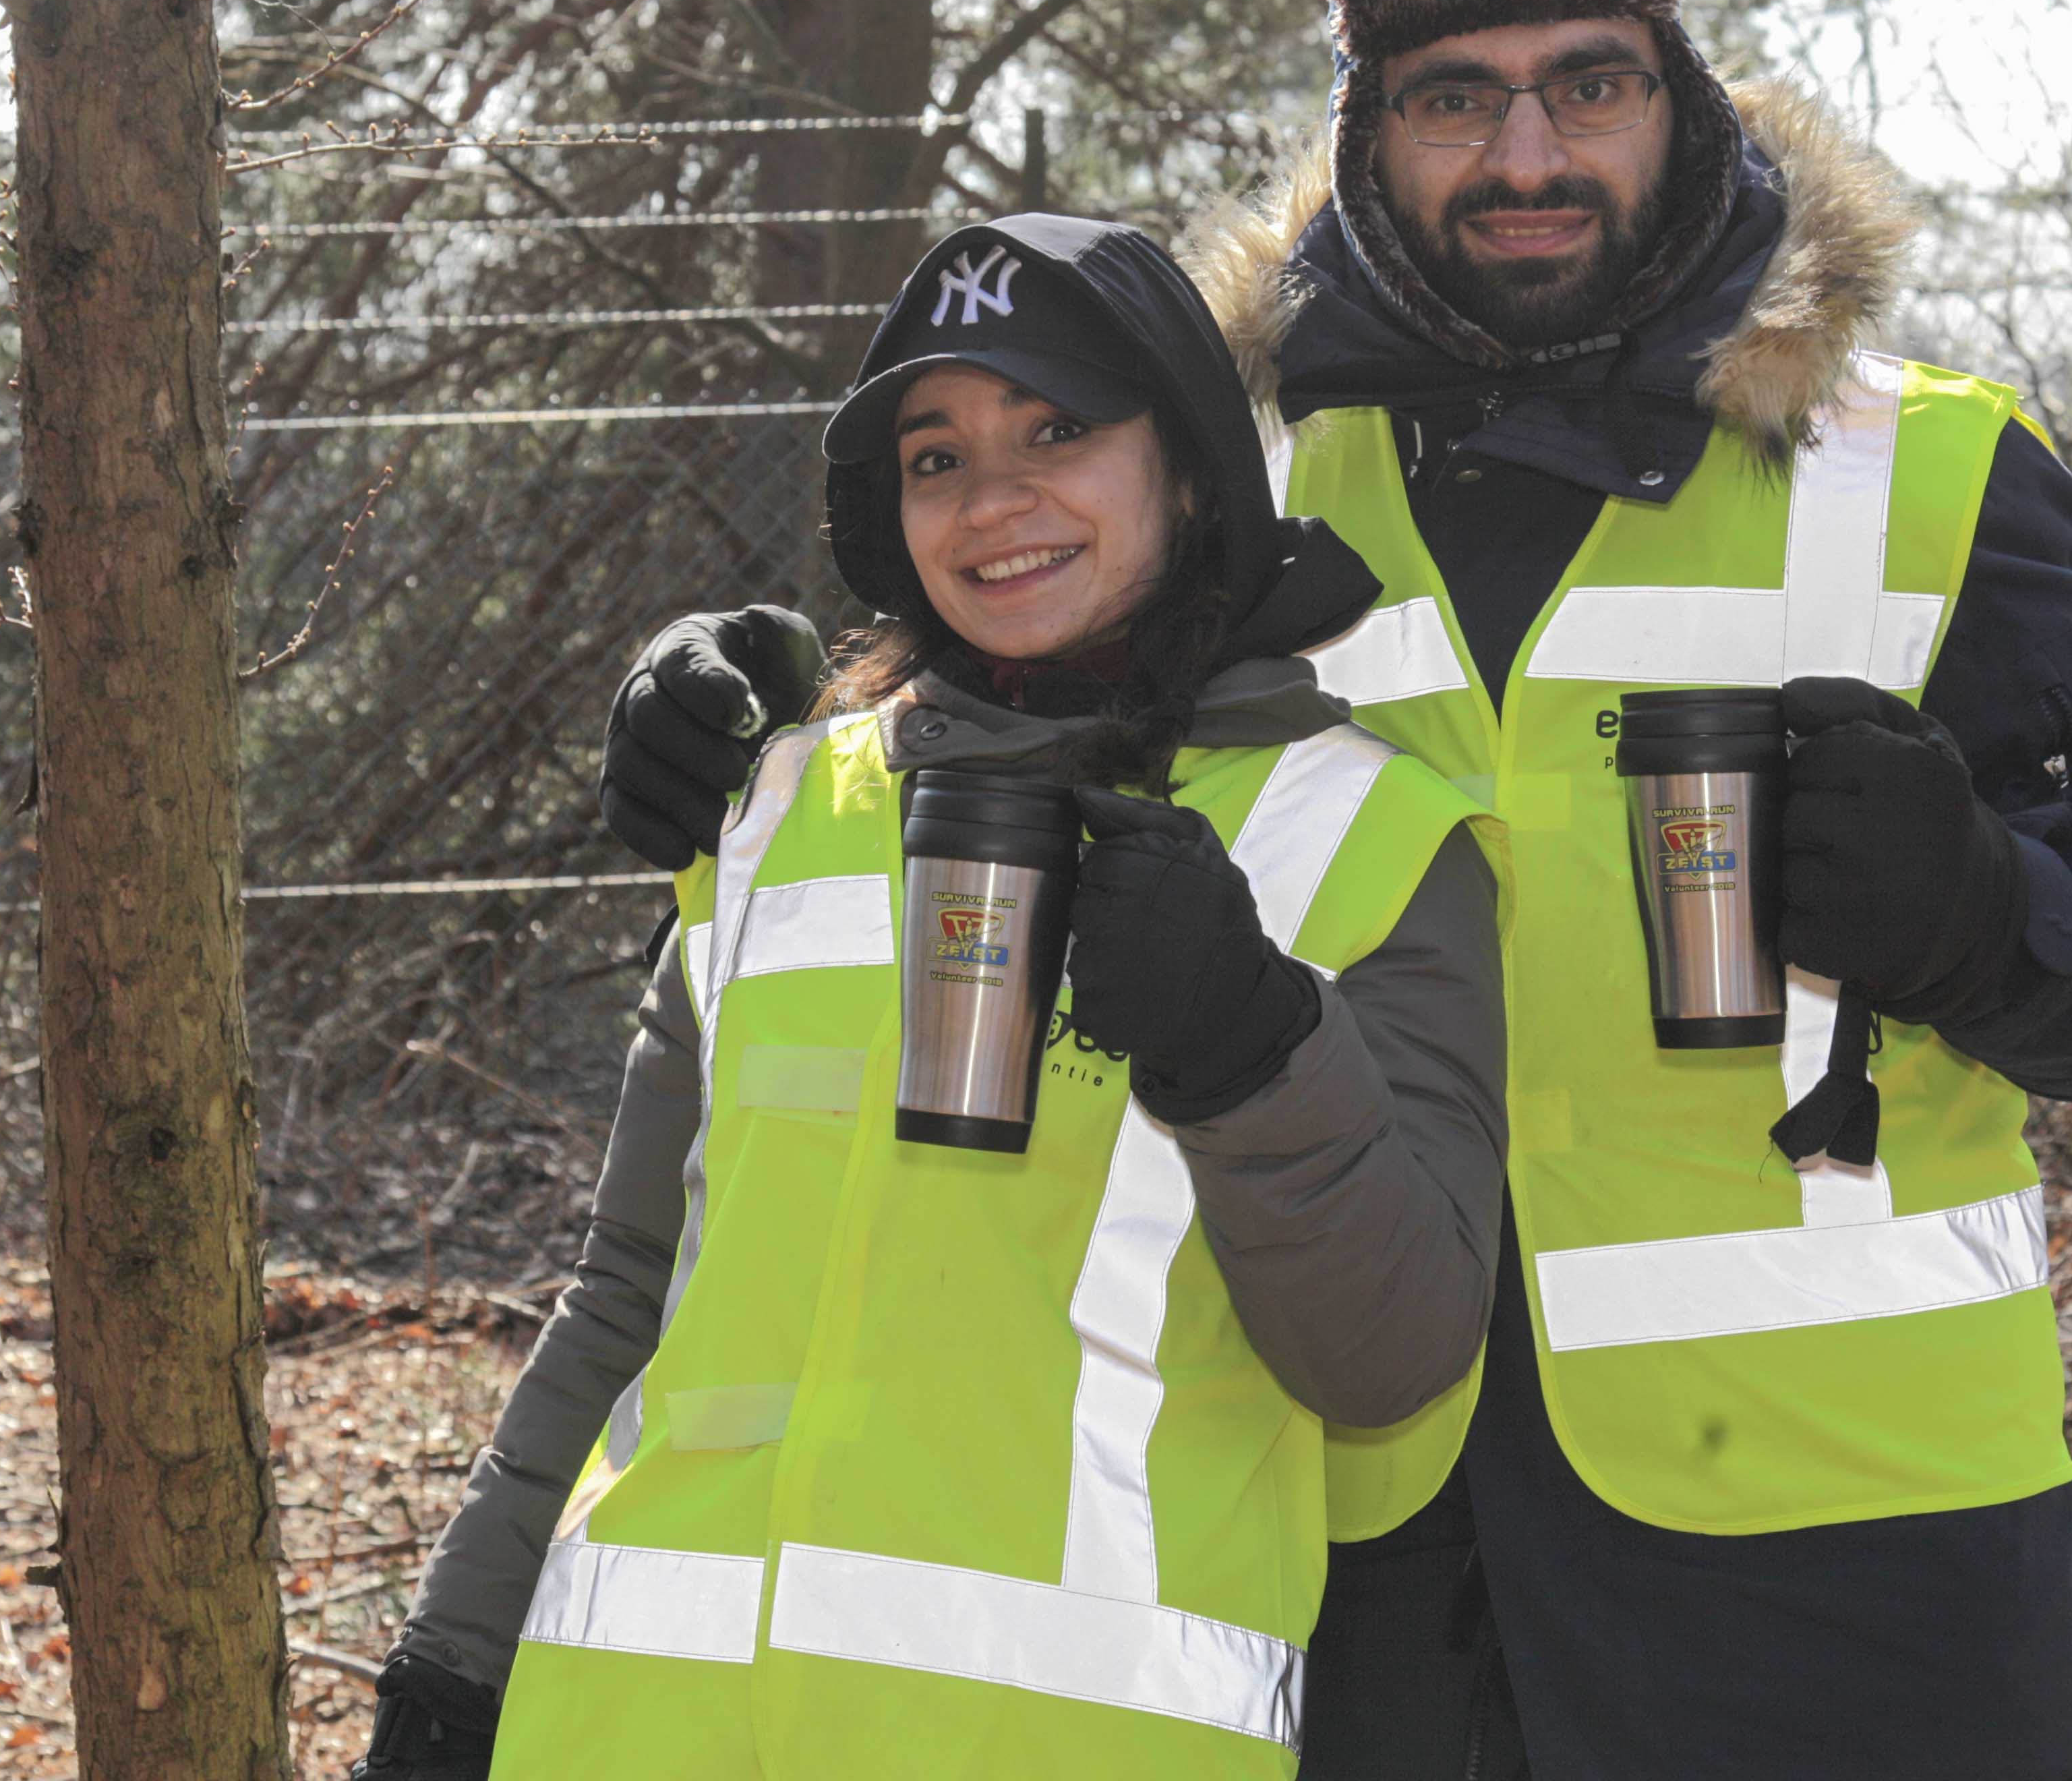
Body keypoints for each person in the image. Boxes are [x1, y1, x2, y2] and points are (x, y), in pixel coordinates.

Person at [604, 0, 2072, 1779]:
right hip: (1349, 1520)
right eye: (1455, 98)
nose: (1531, 153)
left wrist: (1982, 910)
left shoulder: (1923, 476)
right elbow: (975, 687)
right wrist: (755, 695)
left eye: (1591, 84)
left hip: (1853, 1529)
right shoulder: (1245, 479)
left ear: (1687, 99)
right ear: (1364, 131)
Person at [353, 214, 1511, 1781]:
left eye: (1058, 430)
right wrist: (454, 1662)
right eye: (935, 456)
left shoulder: (1368, 840)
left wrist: (1251, 1050)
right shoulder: (779, 810)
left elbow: (1395, 1368)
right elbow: (633, 1285)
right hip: (634, 1727)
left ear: (1187, 465)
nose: (995, 500)